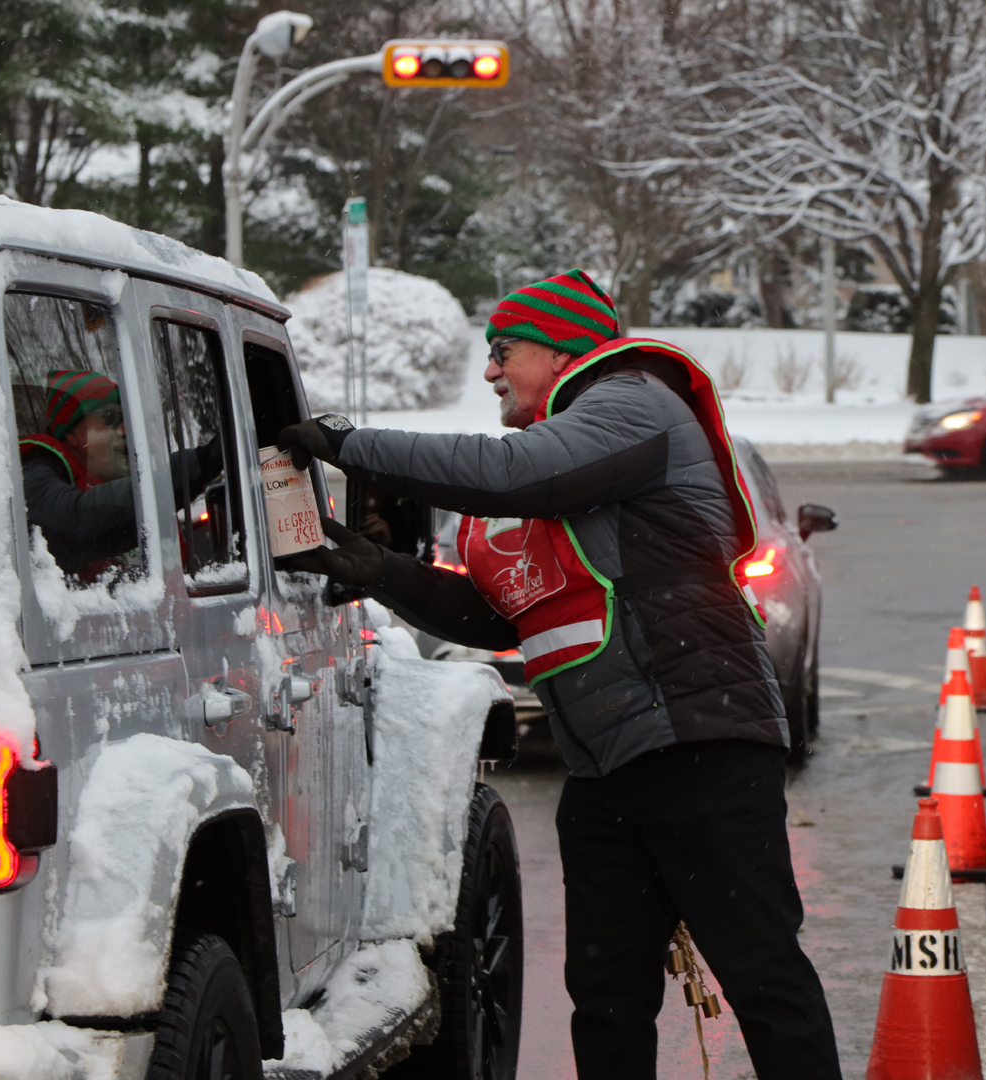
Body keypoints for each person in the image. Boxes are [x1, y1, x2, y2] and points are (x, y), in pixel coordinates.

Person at [280, 269, 842, 1079]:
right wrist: (375, 567)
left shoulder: (632, 402)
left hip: (698, 736)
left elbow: (512, 473)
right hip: (608, 763)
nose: (490, 372)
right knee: (607, 998)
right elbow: (502, 617)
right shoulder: (573, 456)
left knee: (760, 973)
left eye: (503, 350)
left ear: (563, 347)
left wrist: (348, 444)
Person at [20, 368, 221, 578]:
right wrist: (200, 463)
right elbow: (75, 520)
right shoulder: (31, 475)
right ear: (71, 433)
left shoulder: (124, 493)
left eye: (128, 420)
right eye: (110, 417)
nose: (126, 431)